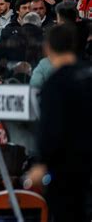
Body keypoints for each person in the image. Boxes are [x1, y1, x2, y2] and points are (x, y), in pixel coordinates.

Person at [26, 24, 92, 222]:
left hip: (66, 167)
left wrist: (41, 162)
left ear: (47, 48)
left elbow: (50, 128)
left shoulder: (55, 83)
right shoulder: (88, 73)